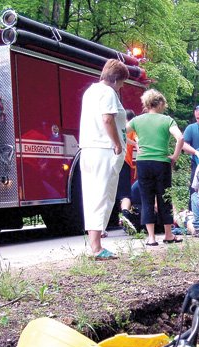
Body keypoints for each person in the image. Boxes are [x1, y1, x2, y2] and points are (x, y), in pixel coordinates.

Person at [79, 59, 129, 260]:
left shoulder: (90, 91)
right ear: (116, 79)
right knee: (103, 196)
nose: (123, 86)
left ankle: (94, 244)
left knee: (92, 195)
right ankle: (97, 248)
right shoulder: (108, 92)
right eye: (122, 82)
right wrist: (117, 143)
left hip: (88, 149)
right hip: (103, 149)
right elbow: (107, 119)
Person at [128, 89, 184, 246]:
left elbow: (121, 132)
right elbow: (180, 137)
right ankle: (168, 235)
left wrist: (135, 144)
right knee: (164, 198)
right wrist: (174, 156)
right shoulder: (167, 120)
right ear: (159, 103)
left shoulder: (137, 120)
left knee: (146, 199)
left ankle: (151, 237)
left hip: (143, 163)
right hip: (162, 163)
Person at [116, 109, 138, 235]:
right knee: (125, 193)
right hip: (124, 162)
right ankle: (125, 215)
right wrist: (137, 145)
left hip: (110, 161)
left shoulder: (116, 128)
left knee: (108, 194)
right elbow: (137, 140)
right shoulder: (132, 129)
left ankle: (100, 229)